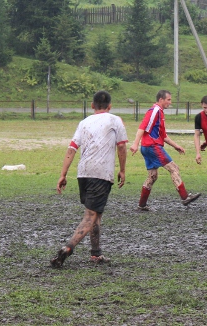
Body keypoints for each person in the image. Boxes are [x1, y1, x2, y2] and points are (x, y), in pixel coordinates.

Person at [50, 90, 128, 268]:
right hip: (101, 174)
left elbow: (72, 149)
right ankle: (67, 248)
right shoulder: (115, 120)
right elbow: (122, 146)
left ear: (92, 105)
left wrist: (63, 174)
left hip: (83, 173)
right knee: (90, 215)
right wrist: (122, 170)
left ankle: (96, 253)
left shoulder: (84, 122)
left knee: (96, 214)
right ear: (110, 106)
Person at [129, 90, 200, 211]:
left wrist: (176, 145)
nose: (170, 102)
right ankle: (184, 197)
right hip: (152, 146)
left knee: (152, 176)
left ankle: (141, 205)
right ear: (161, 100)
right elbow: (142, 127)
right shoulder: (155, 111)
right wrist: (135, 144)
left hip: (148, 147)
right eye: (168, 100)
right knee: (174, 168)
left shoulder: (160, 113)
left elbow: (163, 136)